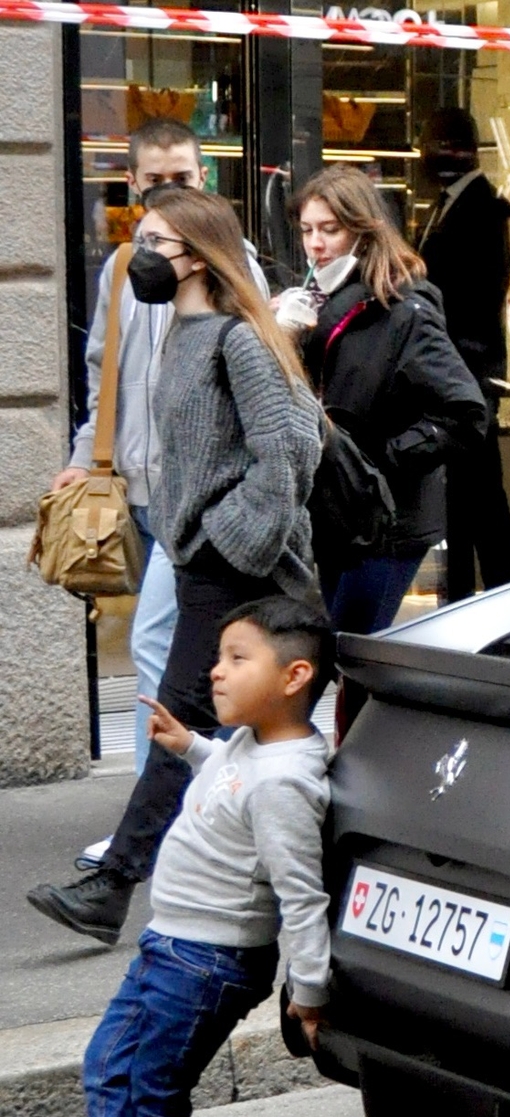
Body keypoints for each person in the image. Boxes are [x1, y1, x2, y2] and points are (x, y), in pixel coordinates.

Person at [27, 188, 323, 947]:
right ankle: (279, 854)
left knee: (182, 712)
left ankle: (114, 881)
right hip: (198, 553)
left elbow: (292, 449)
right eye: (142, 239)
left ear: (198, 253)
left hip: (232, 560)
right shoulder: (180, 335)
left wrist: (232, 534)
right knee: (227, 718)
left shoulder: (237, 338)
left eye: (158, 242)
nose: (143, 256)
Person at [19, 598, 333, 1117]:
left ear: (295, 676)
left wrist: (310, 995)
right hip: (172, 946)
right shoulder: (253, 744)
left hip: (209, 961)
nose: (216, 673)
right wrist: (189, 746)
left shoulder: (287, 781)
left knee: (152, 1081)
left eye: (236, 659)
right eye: (219, 657)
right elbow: (229, 774)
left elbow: (301, 896)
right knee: (110, 1062)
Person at [61, 124, 269, 827]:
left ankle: (168, 802)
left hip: (198, 503)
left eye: (182, 178)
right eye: (156, 182)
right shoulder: (123, 268)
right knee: (182, 652)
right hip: (140, 491)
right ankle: (194, 792)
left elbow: (265, 391)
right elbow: (104, 372)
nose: (170, 192)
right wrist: (85, 457)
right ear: (134, 186)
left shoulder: (234, 267)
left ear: (204, 180)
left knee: (155, 640)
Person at [274, 165, 485, 634]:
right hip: (336, 513)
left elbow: (465, 413)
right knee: (343, 652)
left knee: (348, 650)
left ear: (363, 230)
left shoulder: (405, 309)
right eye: (307, 230)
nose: (315, 244)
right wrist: (280, 336)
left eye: (330, 230)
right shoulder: (319, 304)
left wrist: (380, 460)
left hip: (388, 521)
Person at [417, 109, 510, 602]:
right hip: (456, 375)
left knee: (480, 496)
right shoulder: (448, 204)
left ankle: (494, 591)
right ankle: (462, 593)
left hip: (470, 375)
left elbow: (477, 300)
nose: (423, 155)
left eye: (432, 143)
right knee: (464, 497)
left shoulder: (484, 209)